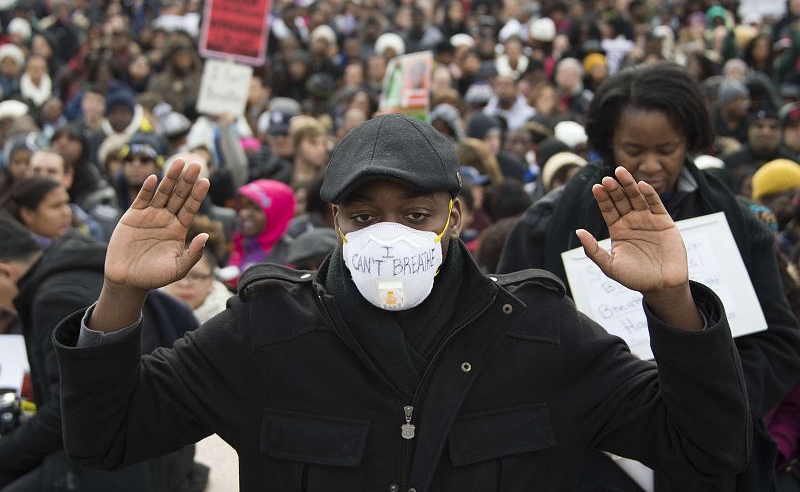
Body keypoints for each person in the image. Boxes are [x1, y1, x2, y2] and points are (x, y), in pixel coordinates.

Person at [52, 114, 751, 491]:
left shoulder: (539, 329)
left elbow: (706, 446)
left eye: (413, 216)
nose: (388, 235)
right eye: (363, 216)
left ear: (454, 214)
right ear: (334, 221)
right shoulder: (264, 330)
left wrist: (674, 304)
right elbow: (106, 438)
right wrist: (119, 296)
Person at [498, 62, 800, 491]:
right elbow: (516, 343)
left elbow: (779, 342)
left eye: (668, 148)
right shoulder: (547, 225)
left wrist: (711, 399)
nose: (652, 164)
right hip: (594, 457)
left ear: (690, 140)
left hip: (709, 461)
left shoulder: (734, 222)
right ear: (608, 144)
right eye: (634, 150)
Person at [0, 212, 203, 491]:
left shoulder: (55, 297)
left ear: (5, 271)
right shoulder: (72, 266)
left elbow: (68, 410)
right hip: (144, 445)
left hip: (126, 462)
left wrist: (7, 451)